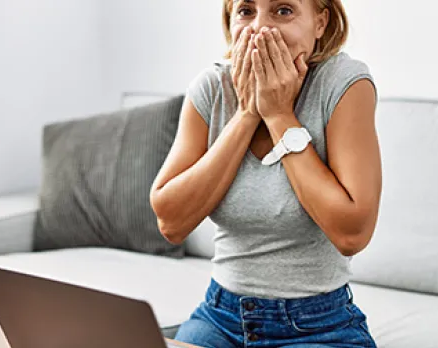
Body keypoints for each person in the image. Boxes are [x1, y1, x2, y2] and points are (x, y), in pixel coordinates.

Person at [149, 0, 381, 347]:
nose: (259, 27)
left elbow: (353, 234)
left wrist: (278, 115)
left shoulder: (344, 85)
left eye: (283, 10)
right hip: (220, 317)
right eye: (246, 11)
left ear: (320, 22)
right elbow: (170, 221)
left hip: (318, 326)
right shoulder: (212, 87)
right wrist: (246, 114)